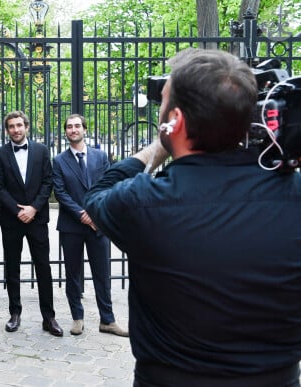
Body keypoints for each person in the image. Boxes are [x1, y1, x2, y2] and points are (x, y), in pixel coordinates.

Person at [84, 48, 301, 386]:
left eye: (164, 103)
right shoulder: (293, 192)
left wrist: (159, 146)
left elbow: (98, 194)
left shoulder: (143, 203)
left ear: (177, 121)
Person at [52, 114, 128, 337]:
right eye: (69, 127)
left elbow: (107, 185)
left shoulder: (100, 156)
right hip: (71, 226)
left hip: (98, 224)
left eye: (77, 126)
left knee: (102, 274)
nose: (73, 130)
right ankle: (77, 318)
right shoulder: (59, 161)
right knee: (73, 274)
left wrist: (94, 213)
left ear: (84, 129)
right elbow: (60, 192)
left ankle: (108, 320)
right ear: (65, 132)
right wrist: (81, 214)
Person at [0, 110, 63, 337]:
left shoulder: (41, 151)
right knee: (12, 266)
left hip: (37, 218)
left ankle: (49, 317)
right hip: (11, 220)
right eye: (11, 126)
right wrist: (16, 209)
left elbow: (47, 181)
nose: (16, 129)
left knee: (43, 266)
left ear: (26, 127)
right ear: (7, 130)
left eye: (19, 125)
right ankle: (14, 313)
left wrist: (34, 208)